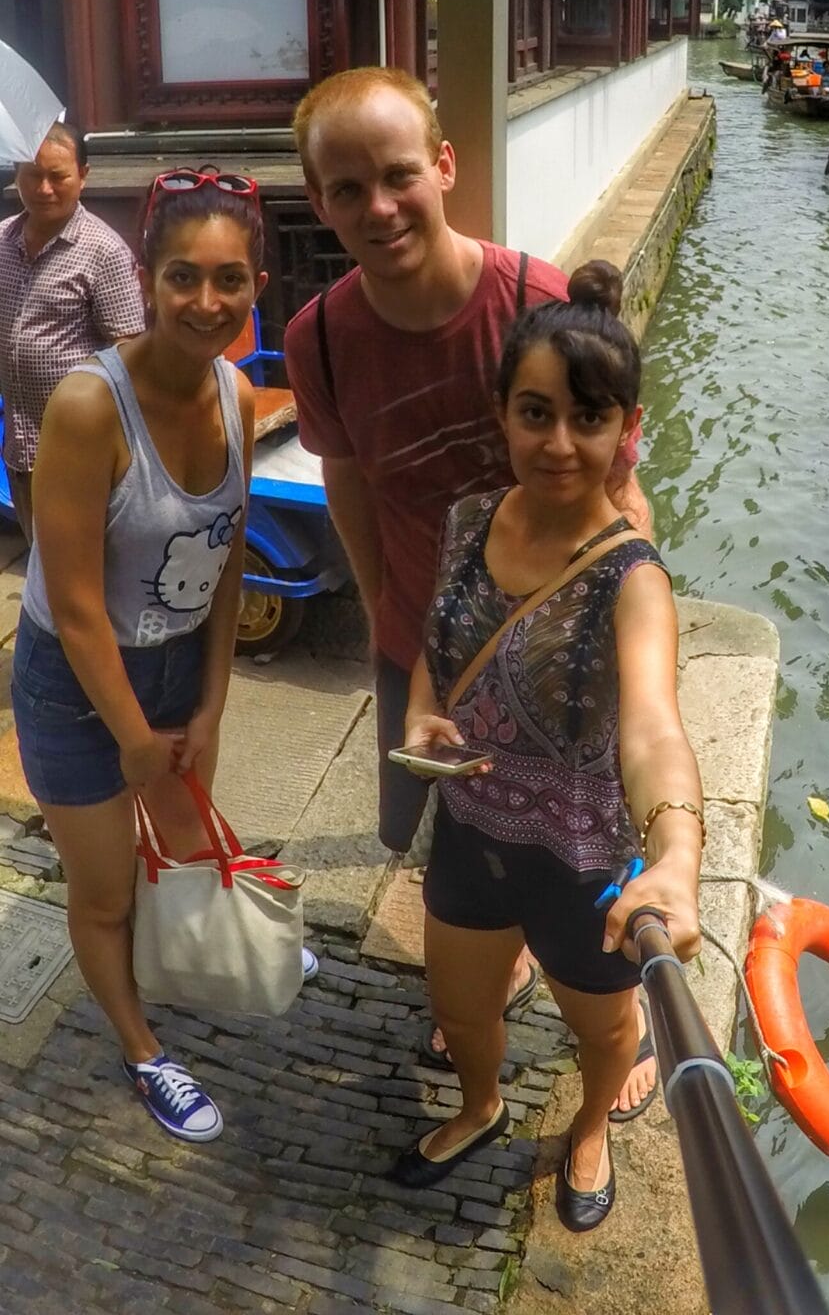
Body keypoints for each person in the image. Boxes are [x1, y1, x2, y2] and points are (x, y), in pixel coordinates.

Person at [284, 66, 656, 1108]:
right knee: (457, 823)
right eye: (346, 189)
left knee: (581, 828)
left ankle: (604, 1005)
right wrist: (385, 620)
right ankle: (491, 964)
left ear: (444, 167)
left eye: (398, 175)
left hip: (557, 638)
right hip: (425, 632)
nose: (379, 207)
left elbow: (622, 483)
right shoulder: (319, 335)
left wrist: (635, 627)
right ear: (318, 202)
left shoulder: (535, 302)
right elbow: (348, 482)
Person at [393, 260, 702, 1233]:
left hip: (582, 861)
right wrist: (419, 716)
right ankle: (480, 1106)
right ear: (502, 416)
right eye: (535, 414)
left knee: (606, 1028)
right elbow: (432, 649)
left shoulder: (632, 578)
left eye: (588, 418)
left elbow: (651, 724)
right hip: (469, 835)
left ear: (624, 428)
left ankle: (586, 1130)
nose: (560, 443)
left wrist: (680, 853)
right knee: (464, 1010)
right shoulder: (468, 521)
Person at [11, 171, 263, 1143]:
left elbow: (228, 571)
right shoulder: (89, 408)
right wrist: (130, 735)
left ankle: (205, 947)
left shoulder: (238, 393)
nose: (207, 303)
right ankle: (143, 1048)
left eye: (230, 281)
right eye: (183, 279)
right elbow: (72, 606)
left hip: (175, 662)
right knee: (106, 887)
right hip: (78, 688)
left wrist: (208, 710)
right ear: (146, 283)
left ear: (256, 287)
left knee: (191, 840)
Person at [0, 124, 146, 540]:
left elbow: (130, 354)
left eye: (58, 176)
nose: (44, 188)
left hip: (84, 454)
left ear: (83, 175)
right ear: (17, 174)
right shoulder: (2, 240)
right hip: (21, 447)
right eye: (32, 174)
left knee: (87, 567)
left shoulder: (105, 252)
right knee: (40, 562)